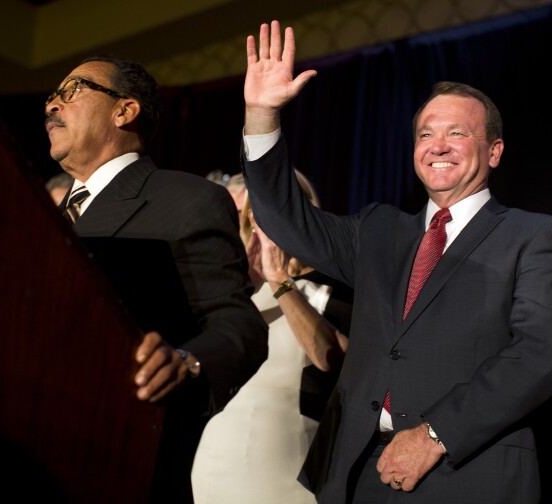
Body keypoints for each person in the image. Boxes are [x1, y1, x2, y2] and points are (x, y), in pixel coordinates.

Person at [240, 20, 552, 504]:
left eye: (457, 133)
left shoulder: (533, 236)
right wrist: (261, 114)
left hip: (468, 473)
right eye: (426, 133)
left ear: (494, 151)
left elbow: (538, 355)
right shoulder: (378, 230)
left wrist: (435, 435)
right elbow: (287, 219)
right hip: (354, 473)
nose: (438, 145)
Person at [44, 54, 268, 503]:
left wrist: (186, 361)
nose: (52, 105)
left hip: (123, 464)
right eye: (51, 96)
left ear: (124, 111)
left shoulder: (187, 199)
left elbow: (238, 325)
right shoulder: (41, 218)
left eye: (73, 91)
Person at [191, 170, 349, 504]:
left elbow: (331, 357)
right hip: (217, 455)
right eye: (260, 214)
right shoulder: (241, 289)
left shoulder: (333, 287)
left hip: (283, 461)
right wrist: (242, 283)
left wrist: (280, 280)